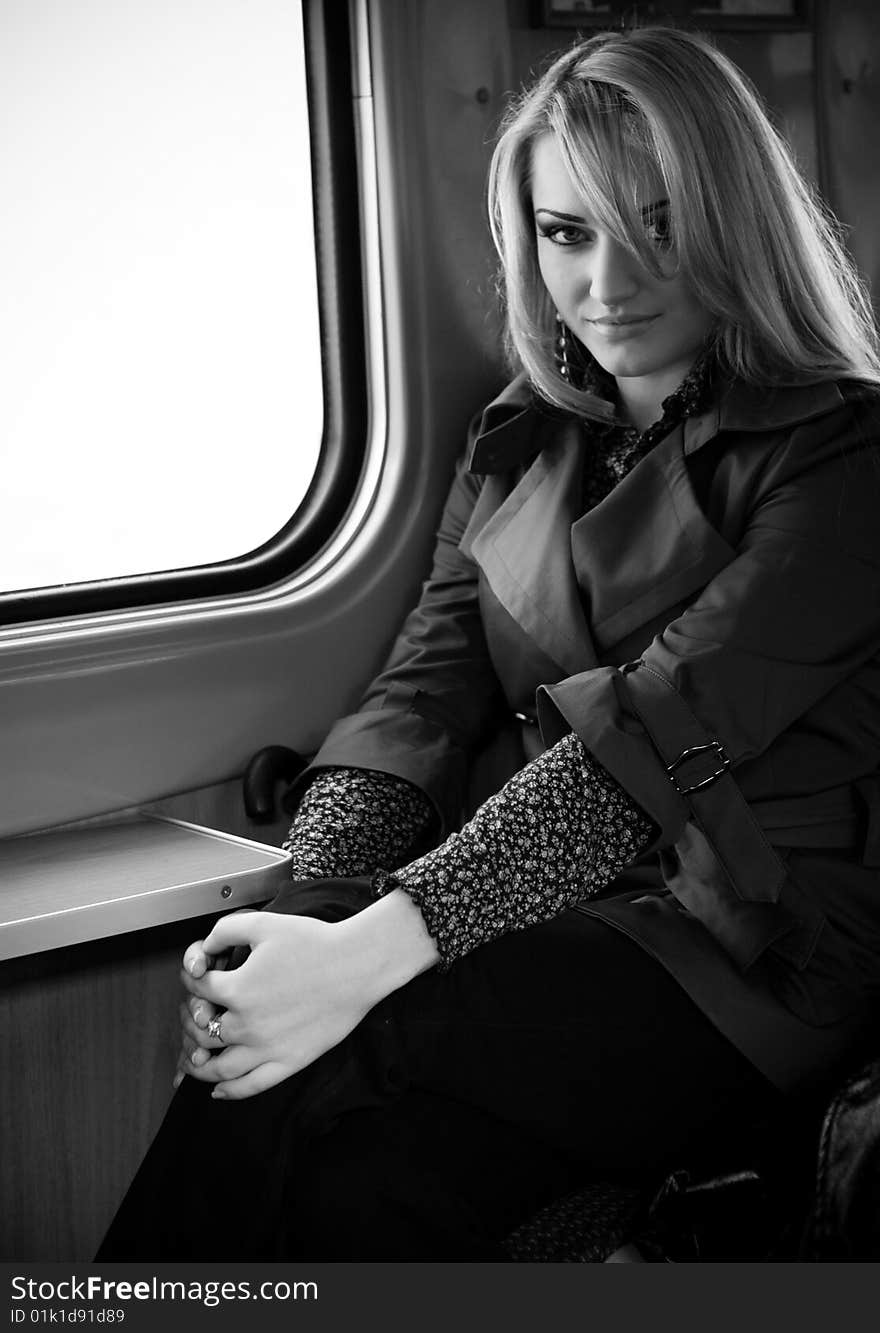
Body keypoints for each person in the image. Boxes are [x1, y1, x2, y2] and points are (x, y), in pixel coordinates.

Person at [98, 23, 880, 1261]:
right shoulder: (520, 436)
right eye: (567, 233)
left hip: (742, 948)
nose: (608, 283)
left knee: (345, 1032)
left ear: (734, 220)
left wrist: (365, 950)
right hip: (539, 916)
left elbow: (661, 726)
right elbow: (423, 688)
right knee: (352, 1183)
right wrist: (307, 904)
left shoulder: (844, 452)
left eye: (657, 226)